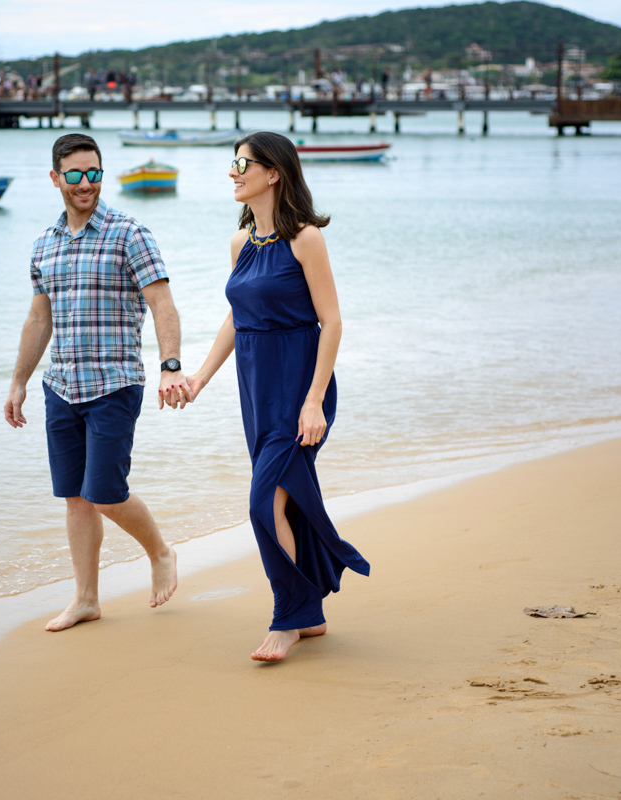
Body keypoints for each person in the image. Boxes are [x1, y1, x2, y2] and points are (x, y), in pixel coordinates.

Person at [181, 131, 371, 662]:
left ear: (274, 173)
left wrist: (314, 401)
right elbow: (236, 319)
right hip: (255, 387)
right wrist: (199, 377)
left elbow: (331, 322)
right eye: (232, 162)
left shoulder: (305, 238)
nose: (233, 171)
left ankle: (288, 616)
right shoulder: (242, 244)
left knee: (263, 503)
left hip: (298, 386)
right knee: (282, 499)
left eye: (243, 163)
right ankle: (308, 612)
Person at [5, 133, 189, 632]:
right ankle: (86, 598)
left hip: (114, 384)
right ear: (55, 178)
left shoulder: (130, 233)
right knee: (75, 496)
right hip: (60, 386)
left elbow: (162, 305)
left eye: (95, 173)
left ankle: (160, 551)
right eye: (76, 174)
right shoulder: (45, 244)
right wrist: (19, 382)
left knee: (105, 492)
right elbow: (38, 320)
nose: (86, 183)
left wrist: (171, 364)